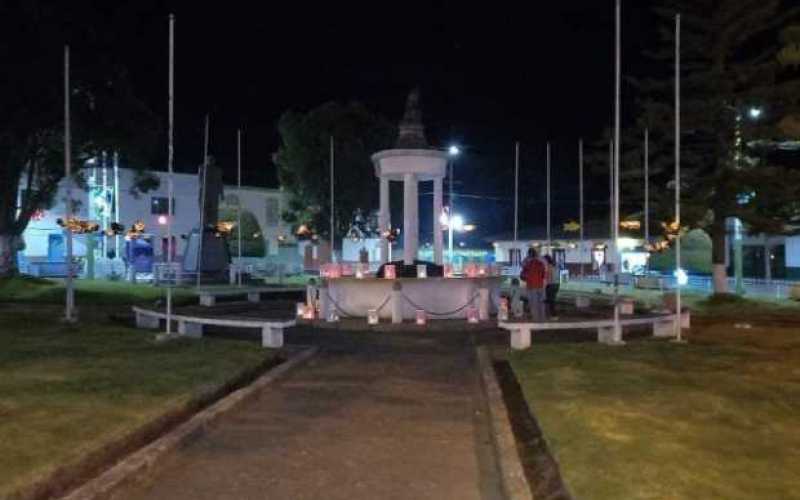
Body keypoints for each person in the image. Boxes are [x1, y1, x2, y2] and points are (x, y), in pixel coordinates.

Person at [520, 248, 546, 321]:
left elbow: (523, 273)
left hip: (531, 286)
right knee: (541, 303)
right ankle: (542, 318)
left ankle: (536, 319)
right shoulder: (541, 262)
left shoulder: (527, 263)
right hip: (541, 285)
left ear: (529, 254)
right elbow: (544, 274)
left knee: (533, 303)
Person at [544, 255, 560, 319]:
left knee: (550, 301)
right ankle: (551, 314)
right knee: (551, 300)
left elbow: (549, 278)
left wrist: (545, 285)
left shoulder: (548, 267)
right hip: (557, 284)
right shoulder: (555, 266)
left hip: (551, 284)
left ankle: (553, 315)